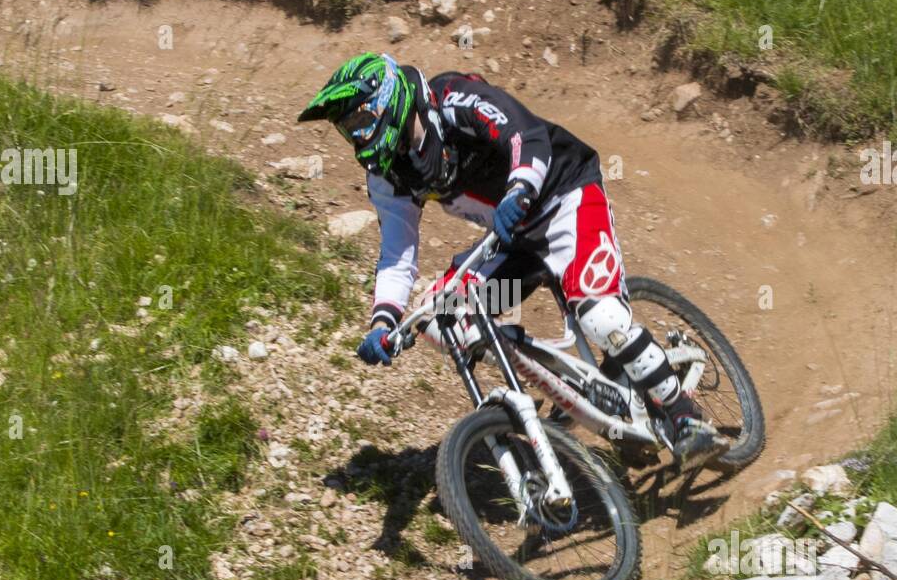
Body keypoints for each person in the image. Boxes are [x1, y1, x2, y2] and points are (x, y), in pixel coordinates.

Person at [298, 52, 725, 465]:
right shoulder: (387, 173)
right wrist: (383, 322)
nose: (355, 136)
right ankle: (568, 388)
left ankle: (684, 415)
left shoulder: (453, 100)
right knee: (441, 320)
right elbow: (396, 251)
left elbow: (526, 135)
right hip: (511, 241)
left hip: (564, 199)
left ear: (386, 100)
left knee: (601, 318)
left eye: (358, 120)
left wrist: (519, 189)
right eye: (346, 129)